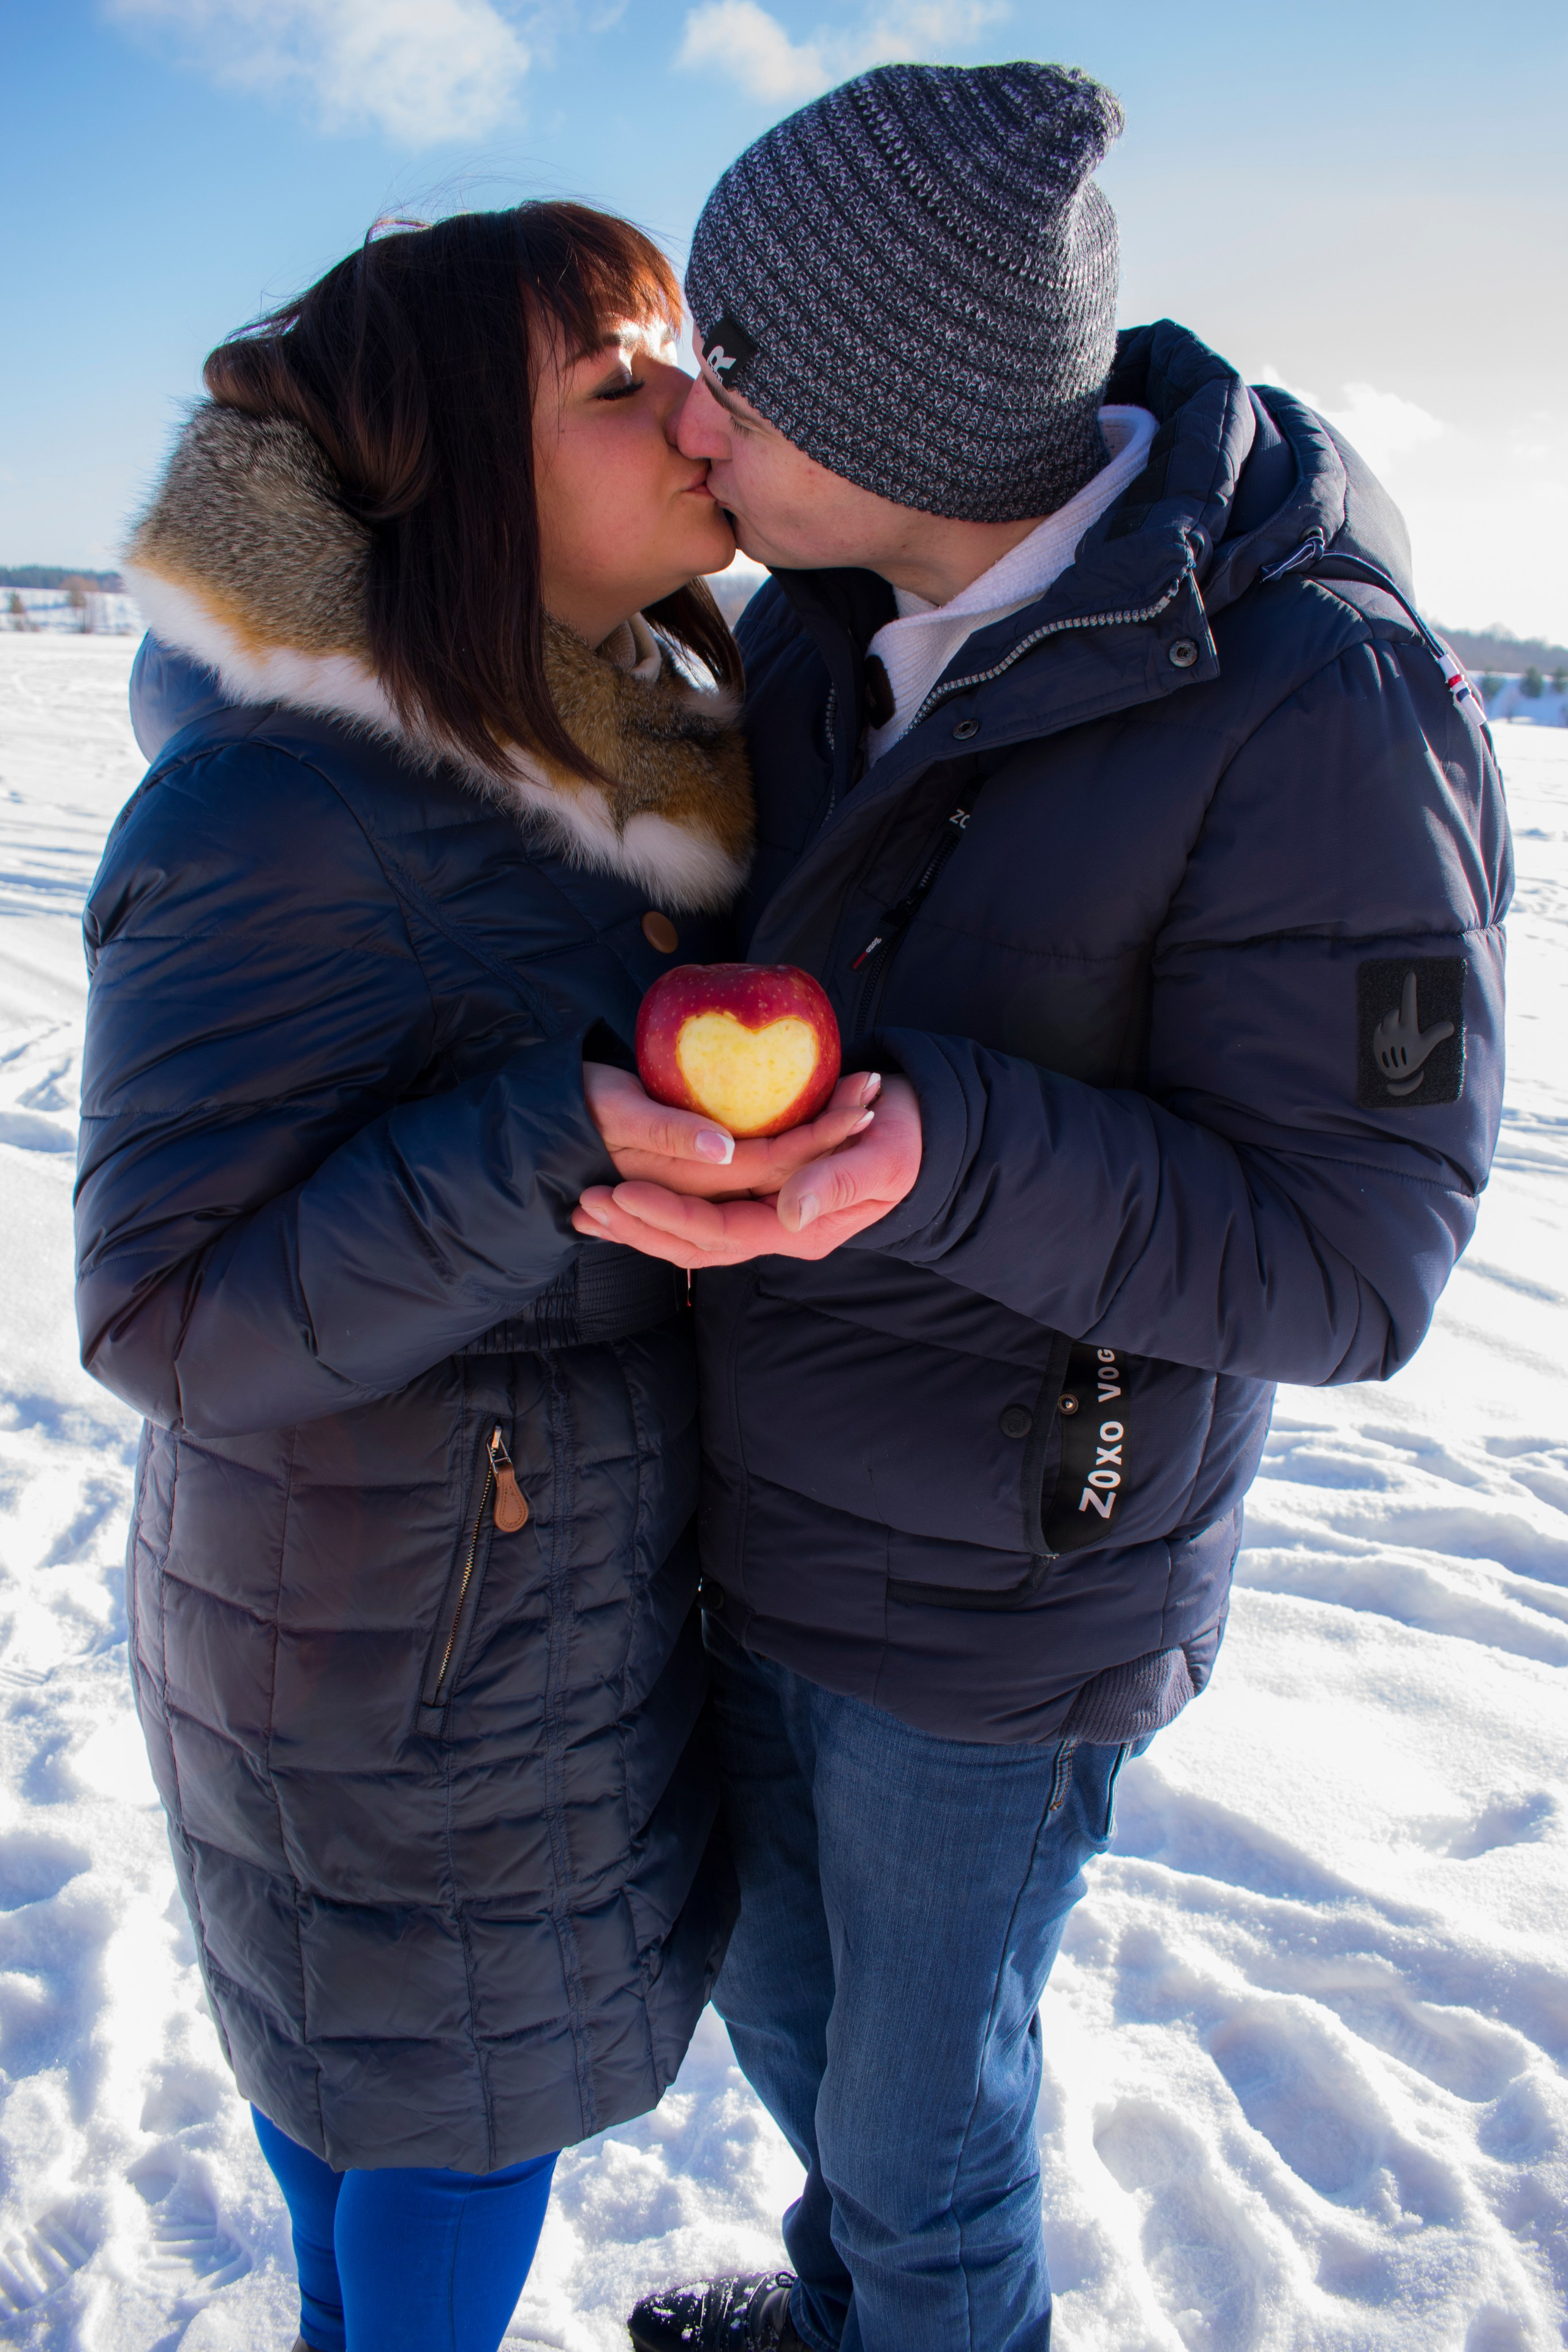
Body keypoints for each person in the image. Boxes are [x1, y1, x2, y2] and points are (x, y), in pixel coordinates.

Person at [570, 64, 1512, 2352]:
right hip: (757, 1509)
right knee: (800, 2040)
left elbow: (1357, 1255)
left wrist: (944, 1154)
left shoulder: (1322, 709)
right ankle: (855, 2308)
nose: (696, 423)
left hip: (1009, 1594)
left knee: (921, 2135)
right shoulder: (809, 631)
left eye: (744, 372)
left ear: (909, 407)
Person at [75, 203, 872, 2352]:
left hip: (485, 1606)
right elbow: (161, 1316)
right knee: (441, 2113)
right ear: (449, 471)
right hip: (388, 1651)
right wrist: (545, 1138)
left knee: (389, 2085)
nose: (694, 415)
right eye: (616, 387)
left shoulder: (617, 770)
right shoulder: (285, 805)